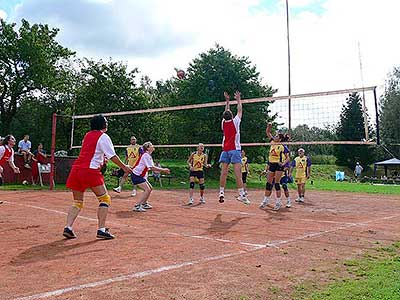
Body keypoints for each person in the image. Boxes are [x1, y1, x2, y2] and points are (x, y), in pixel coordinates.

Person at [63, 115, 131, 240]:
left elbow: (94, 153)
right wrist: (124, 167)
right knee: (105, 199)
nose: (107, 123)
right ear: (102, 124)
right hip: (90, 171)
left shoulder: (87, 135)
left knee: (77, 202)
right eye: (106, 121)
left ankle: (68, 227)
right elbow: (112, 156)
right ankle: (101, 229)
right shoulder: (103, 137)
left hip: (76, 170)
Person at [218, 91, 249, 205]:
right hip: (235, 150)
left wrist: (227, 101)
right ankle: (241, 195)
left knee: (224, 172)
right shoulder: (235, 121)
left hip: (225, 150)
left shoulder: (223, 123)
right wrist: (238, 99)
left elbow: (226, 112)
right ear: (231, 116)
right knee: (238, 174)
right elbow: (239, 110)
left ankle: (221, 192)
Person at [132, 142, 170, 212]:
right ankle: (137, 206)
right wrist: (163, 170)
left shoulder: (148, 156)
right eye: (151, 145)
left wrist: (160, 170)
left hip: (140, 175)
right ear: (148, 148)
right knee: (147, 189)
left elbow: (152, 168)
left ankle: (143, 204)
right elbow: (152, 168)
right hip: (136, 175)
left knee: (150, 188)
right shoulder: (146, 155)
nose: (153, 146)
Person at [259, 123, 290, 211]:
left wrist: (283, 164)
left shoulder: (283, 146)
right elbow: (268, 132)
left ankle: (278, 202)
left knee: (277, 183)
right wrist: (269, 126)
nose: (275, 137)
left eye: (276, 136)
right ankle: (265, 200)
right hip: (271, 164)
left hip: (279, 165)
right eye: (275, 136)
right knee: (268, 183)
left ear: (280, 139)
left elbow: (288, 158)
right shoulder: (272, 142)